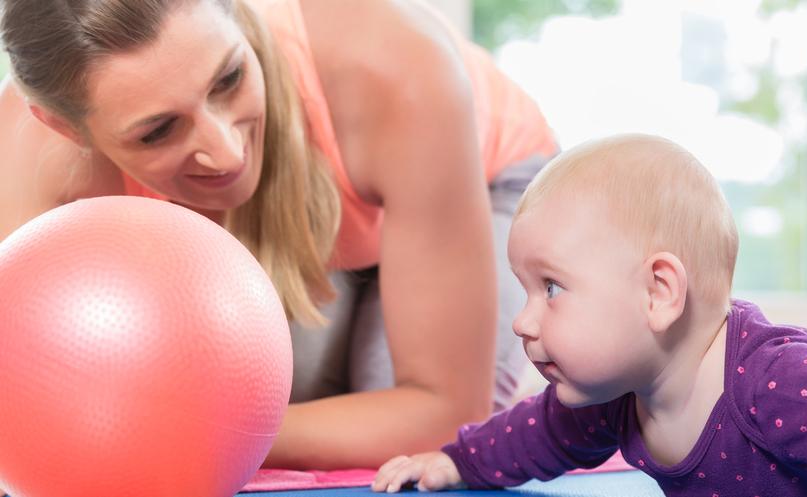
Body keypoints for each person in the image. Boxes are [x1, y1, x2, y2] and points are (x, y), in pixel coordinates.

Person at [0, 0, 557, 470]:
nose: (225, 153)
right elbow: (29, 398)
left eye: (229, 78)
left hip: (483, 179)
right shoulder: (31, 149)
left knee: (406, 445)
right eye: (158, 130)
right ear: (66, 127)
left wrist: (187, 431)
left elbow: (441, 410)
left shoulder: (396, 68)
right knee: (290, 393)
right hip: (319, 229)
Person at [371, 134, 807, 497]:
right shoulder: (613, 397)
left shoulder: (776, 385)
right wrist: (455, 460)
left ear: (659, 292)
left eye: (552, 288)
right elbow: (537, 433)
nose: (523, 320)